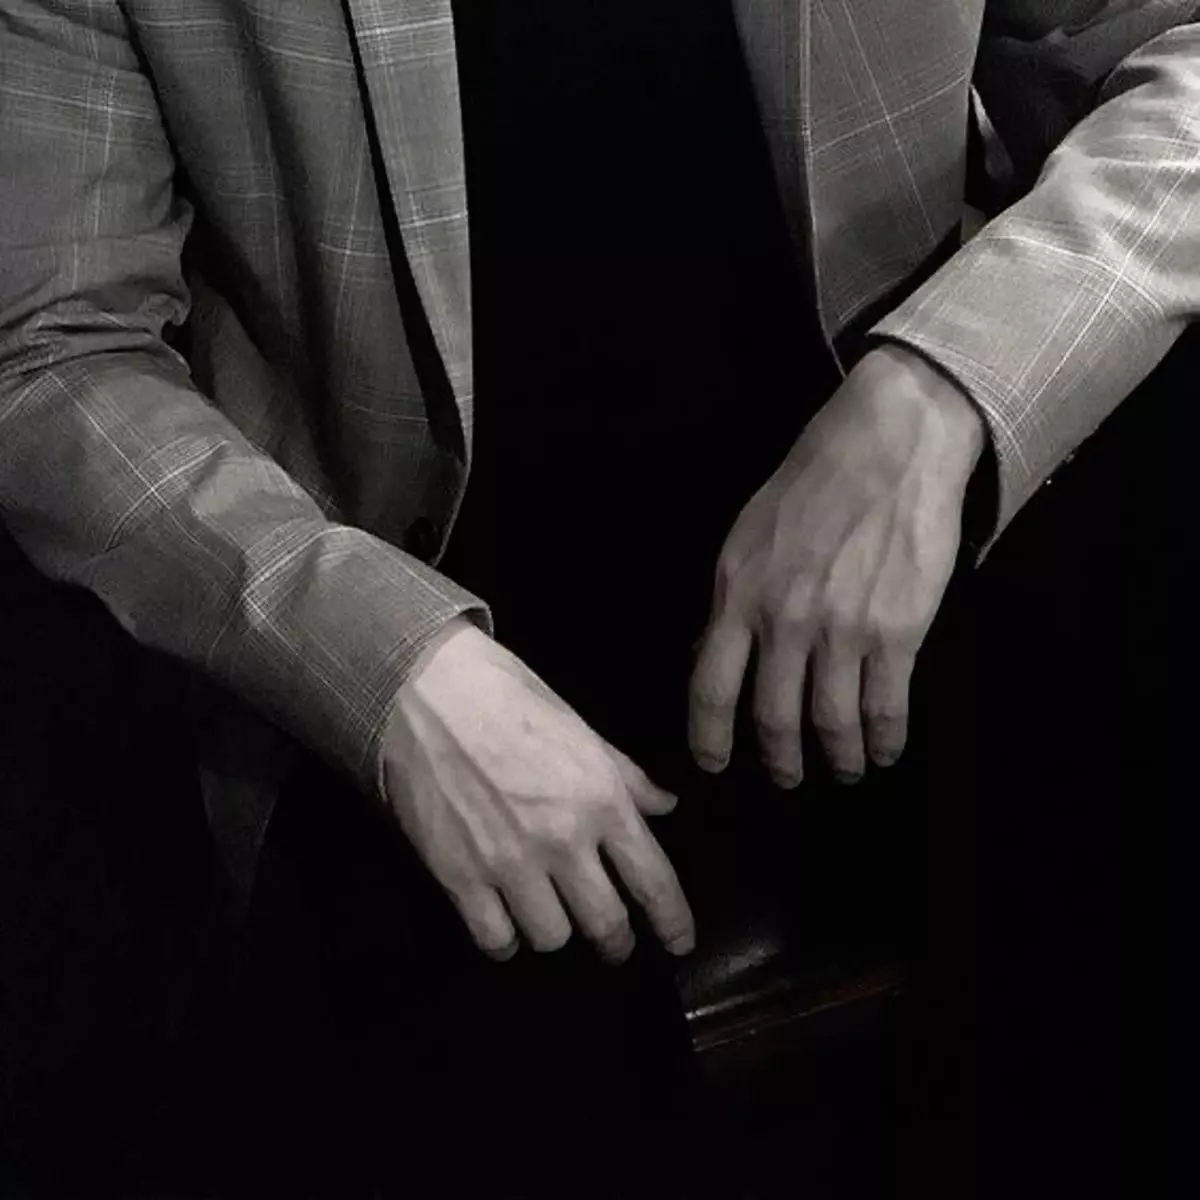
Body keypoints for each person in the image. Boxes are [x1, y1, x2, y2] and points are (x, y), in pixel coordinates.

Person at [1, 1, 1196, 1196]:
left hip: (907, 513)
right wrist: (386, 666)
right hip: (430, 614)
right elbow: (53, 347)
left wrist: (941, 388)